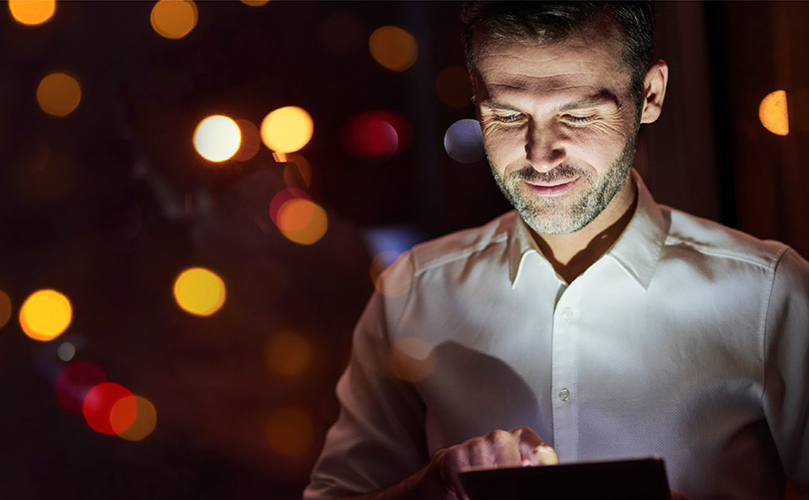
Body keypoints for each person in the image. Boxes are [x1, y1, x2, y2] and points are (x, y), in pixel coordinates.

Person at [304, 2, 809, 499]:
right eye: (505, 114)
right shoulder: (412, 291)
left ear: (651, 94)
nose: (540, 153)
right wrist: (433, 490)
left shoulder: (769, 294)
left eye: (579, 114)